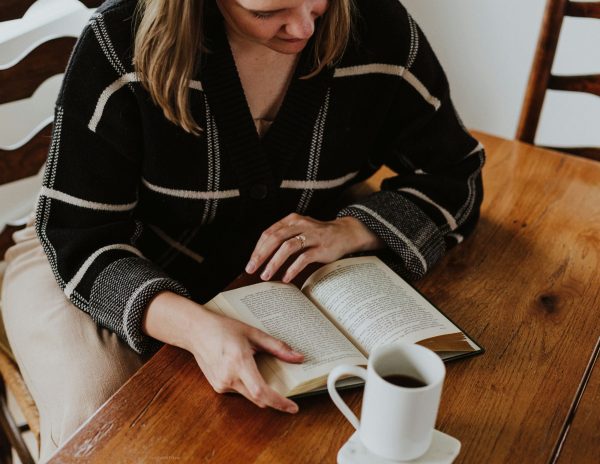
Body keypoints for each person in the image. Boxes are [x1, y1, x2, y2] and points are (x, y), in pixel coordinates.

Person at [1, 0, 484, 460]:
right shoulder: (118, 41)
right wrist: (195, 327)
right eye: (266, 12)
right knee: (107, 426)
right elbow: (80, 234)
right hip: (93, 257)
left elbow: (453, 174)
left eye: (318, 3)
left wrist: (352, 229)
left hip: (270, 282)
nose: (303, 30)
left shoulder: (378, 27)